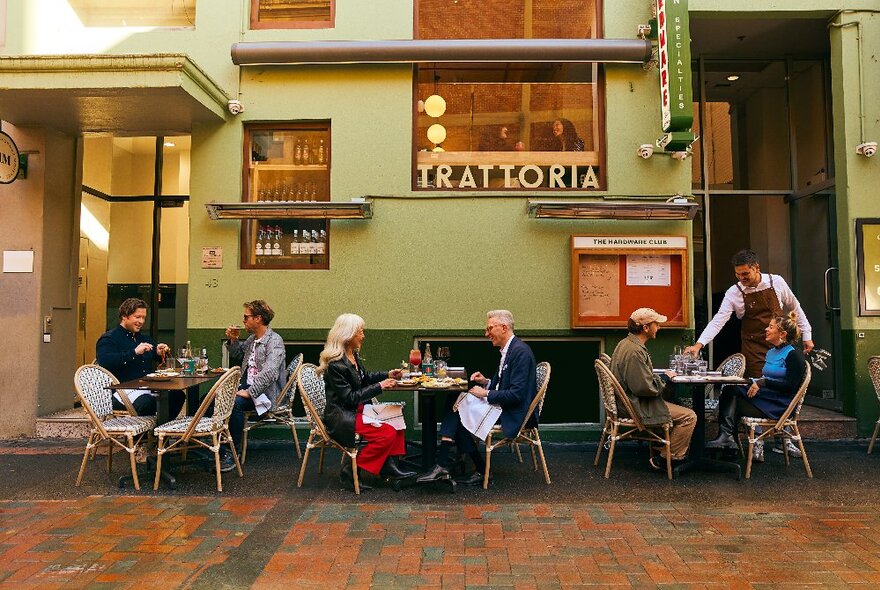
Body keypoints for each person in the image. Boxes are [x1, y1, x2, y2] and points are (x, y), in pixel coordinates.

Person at [418, 310, 538, 486]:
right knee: (456, 401)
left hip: (513, 412)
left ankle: (446, 464)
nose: (486, 334)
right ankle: (456, 466)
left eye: (490, 329)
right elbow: (505, 385)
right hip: (502, 405)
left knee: (456, 407)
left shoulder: (520, 352)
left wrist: (486, 393)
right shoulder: (510, 349)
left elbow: (517, 395)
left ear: (503, 328)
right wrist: (487, 382)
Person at [317, 313, 416, 490]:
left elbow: (364, 378)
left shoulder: (352, 355)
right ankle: (353, 470)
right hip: (343, 416)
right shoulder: (335, 365)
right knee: (386, 433)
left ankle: (389, 467)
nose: (363, 336)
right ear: (347, 335)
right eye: (360, 332)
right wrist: (381, 386)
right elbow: (349, 398)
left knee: (397, 419)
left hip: (358, 409)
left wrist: (387, 374)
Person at [684, 249, 813, 379]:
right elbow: (718, 321)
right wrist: (699, 345)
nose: (741, 278)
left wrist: (806, 334)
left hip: (780, 343)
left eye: (745, 273)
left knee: (782, 380)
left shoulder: (776, 282)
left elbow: (795, 307)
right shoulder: (734, 292)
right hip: (753, 347)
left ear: (756, 268)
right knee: (755, 382)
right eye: (737, 274)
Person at [706, 312, 807, 455]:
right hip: (767, 397)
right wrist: (755, 382)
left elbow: (791, 386)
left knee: (732, 397)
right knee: (731, 392)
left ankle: (727, 440)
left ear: (782, 334)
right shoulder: (771, 352)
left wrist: (762, 382)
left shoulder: (794, 355)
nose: (766, 329)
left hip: (780, 404)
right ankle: (727, 441)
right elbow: (767, 377)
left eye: (771, 327)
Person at [610, 308, 697, 470]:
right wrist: (663, 378)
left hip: (627, 402)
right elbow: (644, 388)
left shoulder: (626, 344)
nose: (659, 327)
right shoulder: (635, 351)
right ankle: (666, 458)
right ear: (645, 328)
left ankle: (665, 447)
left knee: (674, 402)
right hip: (636, 406)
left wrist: (659, 377)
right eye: (656, 324)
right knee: (689, 416)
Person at [224, 300, 287, 472]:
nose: (243, 320)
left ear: (258, 318)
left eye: (246, 317)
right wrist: (233, 340)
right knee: (213, 398)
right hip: (246, 386)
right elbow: (237, 353)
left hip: (265, 394)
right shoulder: (253, 339)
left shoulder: (274, 341)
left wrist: (250, 392)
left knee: (234, 404)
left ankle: (231, 453)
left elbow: (270, 372)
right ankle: (215, 444)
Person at [97, 297, 179, 418]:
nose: (141, 321)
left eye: (143, 318)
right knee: (148, 403)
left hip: (148, 388)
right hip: (122, 392)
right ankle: (142, 435)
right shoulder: (109, 338)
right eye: (137, 317)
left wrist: (159, 351)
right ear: (124, 316)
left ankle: (161, 433)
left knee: (176, 396)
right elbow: (105, 362)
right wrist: (134, 352)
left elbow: (159, 358)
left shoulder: (143, 338)